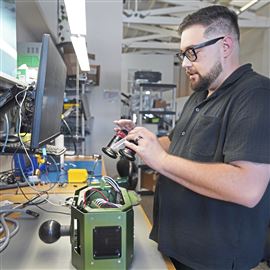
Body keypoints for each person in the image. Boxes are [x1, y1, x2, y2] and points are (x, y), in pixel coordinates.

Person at [114, 5, 270, 270]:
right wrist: (140, 141)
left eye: (192, 52)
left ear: (225, 46)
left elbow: (248, 187)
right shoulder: (201, 94)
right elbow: (176, 144)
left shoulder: (255, 95)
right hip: (176, 245)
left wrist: (161, 161)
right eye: (182, 54)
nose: (185, 63)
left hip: (213, 259)